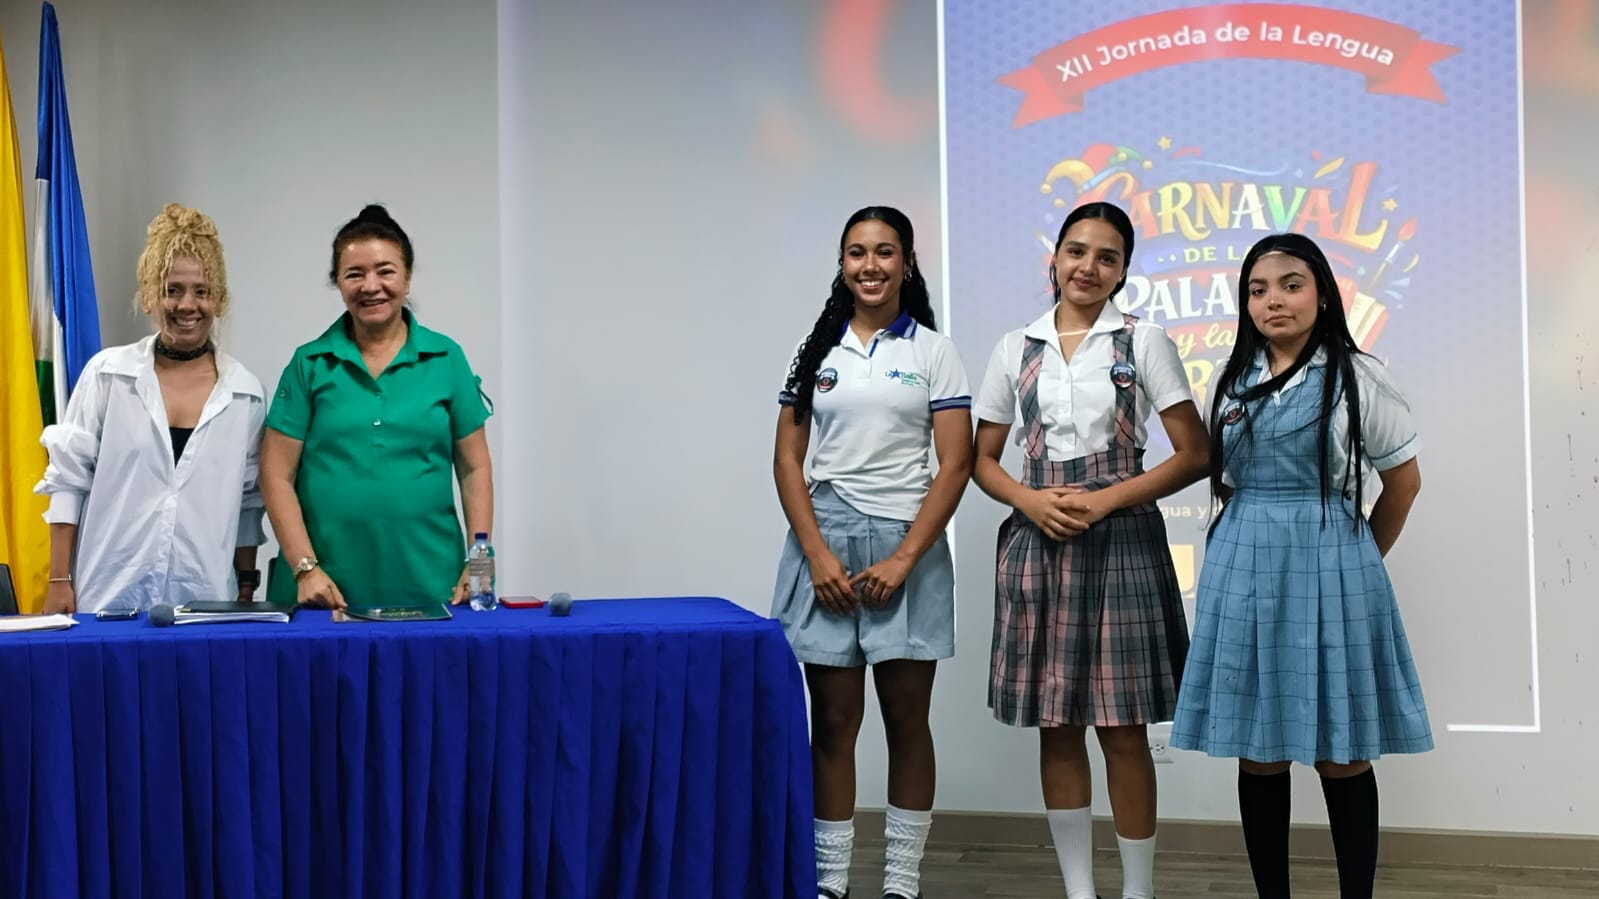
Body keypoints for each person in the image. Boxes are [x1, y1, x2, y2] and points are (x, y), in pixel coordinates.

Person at [1170, 233, 1431, 899]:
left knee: (1340, 752)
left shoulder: (1358, 375)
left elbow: (1402, 484)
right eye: (1256, 289)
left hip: (1331, 561)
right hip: (1243, 564)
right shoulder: (1232, 377)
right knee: (1258, 750)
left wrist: (1357, 561)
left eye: (1289, 284)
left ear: (1320, 293)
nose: (1272, 300)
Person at [971, 201, 1208, 899]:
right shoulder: (1016, 345)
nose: (1088, 266)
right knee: (1056, 723)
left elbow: (1194, 454)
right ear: (1054, 258)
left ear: (1123, 271)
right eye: (1076, 251)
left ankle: (1136, 891)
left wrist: (1108, 498)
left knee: (1122, 726)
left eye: (1106, 256)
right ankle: (1079, 891)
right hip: (1038, 539)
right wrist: (1030, 500)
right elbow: (983, 459)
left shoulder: (1143, 341)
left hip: (1123, 538)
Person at [770, 206, 972, 899]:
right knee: (831, 720)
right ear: (841, 263)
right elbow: (787, 459)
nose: (870, 265)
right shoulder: (813, 347)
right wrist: (817, 554)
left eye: (885, 251)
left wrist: (904, 558)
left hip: (904, 546)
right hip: (824, 542)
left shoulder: (932, 351)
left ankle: (900, 881)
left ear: (907, 263)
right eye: (856, 252)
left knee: (905, 719)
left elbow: (954, 464)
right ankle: (830, 881)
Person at [259, 204, 493, 609]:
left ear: (407, 277)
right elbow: (275, 474)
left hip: (431, 588)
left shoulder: (446, 359)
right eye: (355, 274)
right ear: (337, 281)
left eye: (385, 271)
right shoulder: (310, 364)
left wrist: (480, 567)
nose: (371, 286)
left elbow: (475, 469)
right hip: (322, 596)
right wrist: (304, 568)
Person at [37, 203, 266, 614]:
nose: (186, 305)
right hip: (107, 597)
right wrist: (59, 581)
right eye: (171, 289)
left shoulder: (244, 394)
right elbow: (68, 482)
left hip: (207, 602)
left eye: (201, 291)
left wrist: (246, 586)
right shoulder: (108, 376)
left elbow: (248, 502)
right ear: (148, 298)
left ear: (220, 300)